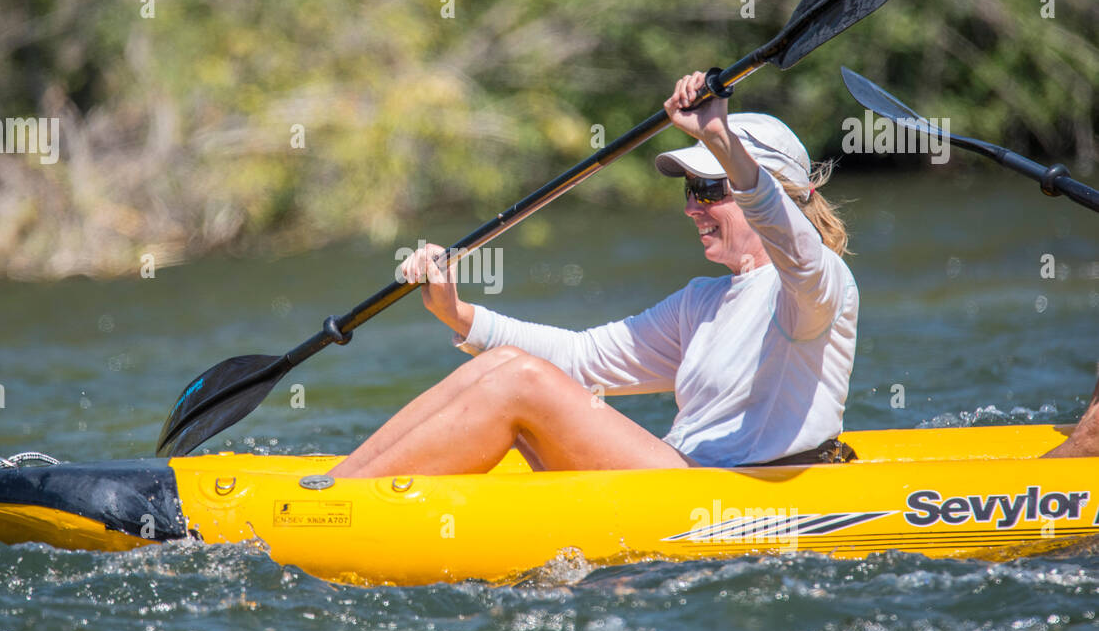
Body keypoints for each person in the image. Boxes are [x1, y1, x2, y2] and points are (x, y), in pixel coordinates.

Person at [330, 70, 859, 478]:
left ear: (774, 192)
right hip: (687, 481)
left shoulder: (816, 285)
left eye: (707, 190)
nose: (691, 208)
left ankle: (330, 511)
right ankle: (335, 487)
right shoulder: (702, 301)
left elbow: (798, 248)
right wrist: (458, 313)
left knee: (518, 380)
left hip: (724, 495)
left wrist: (722, 139)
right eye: (688, 191)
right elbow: (583, 359)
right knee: (511, 365)